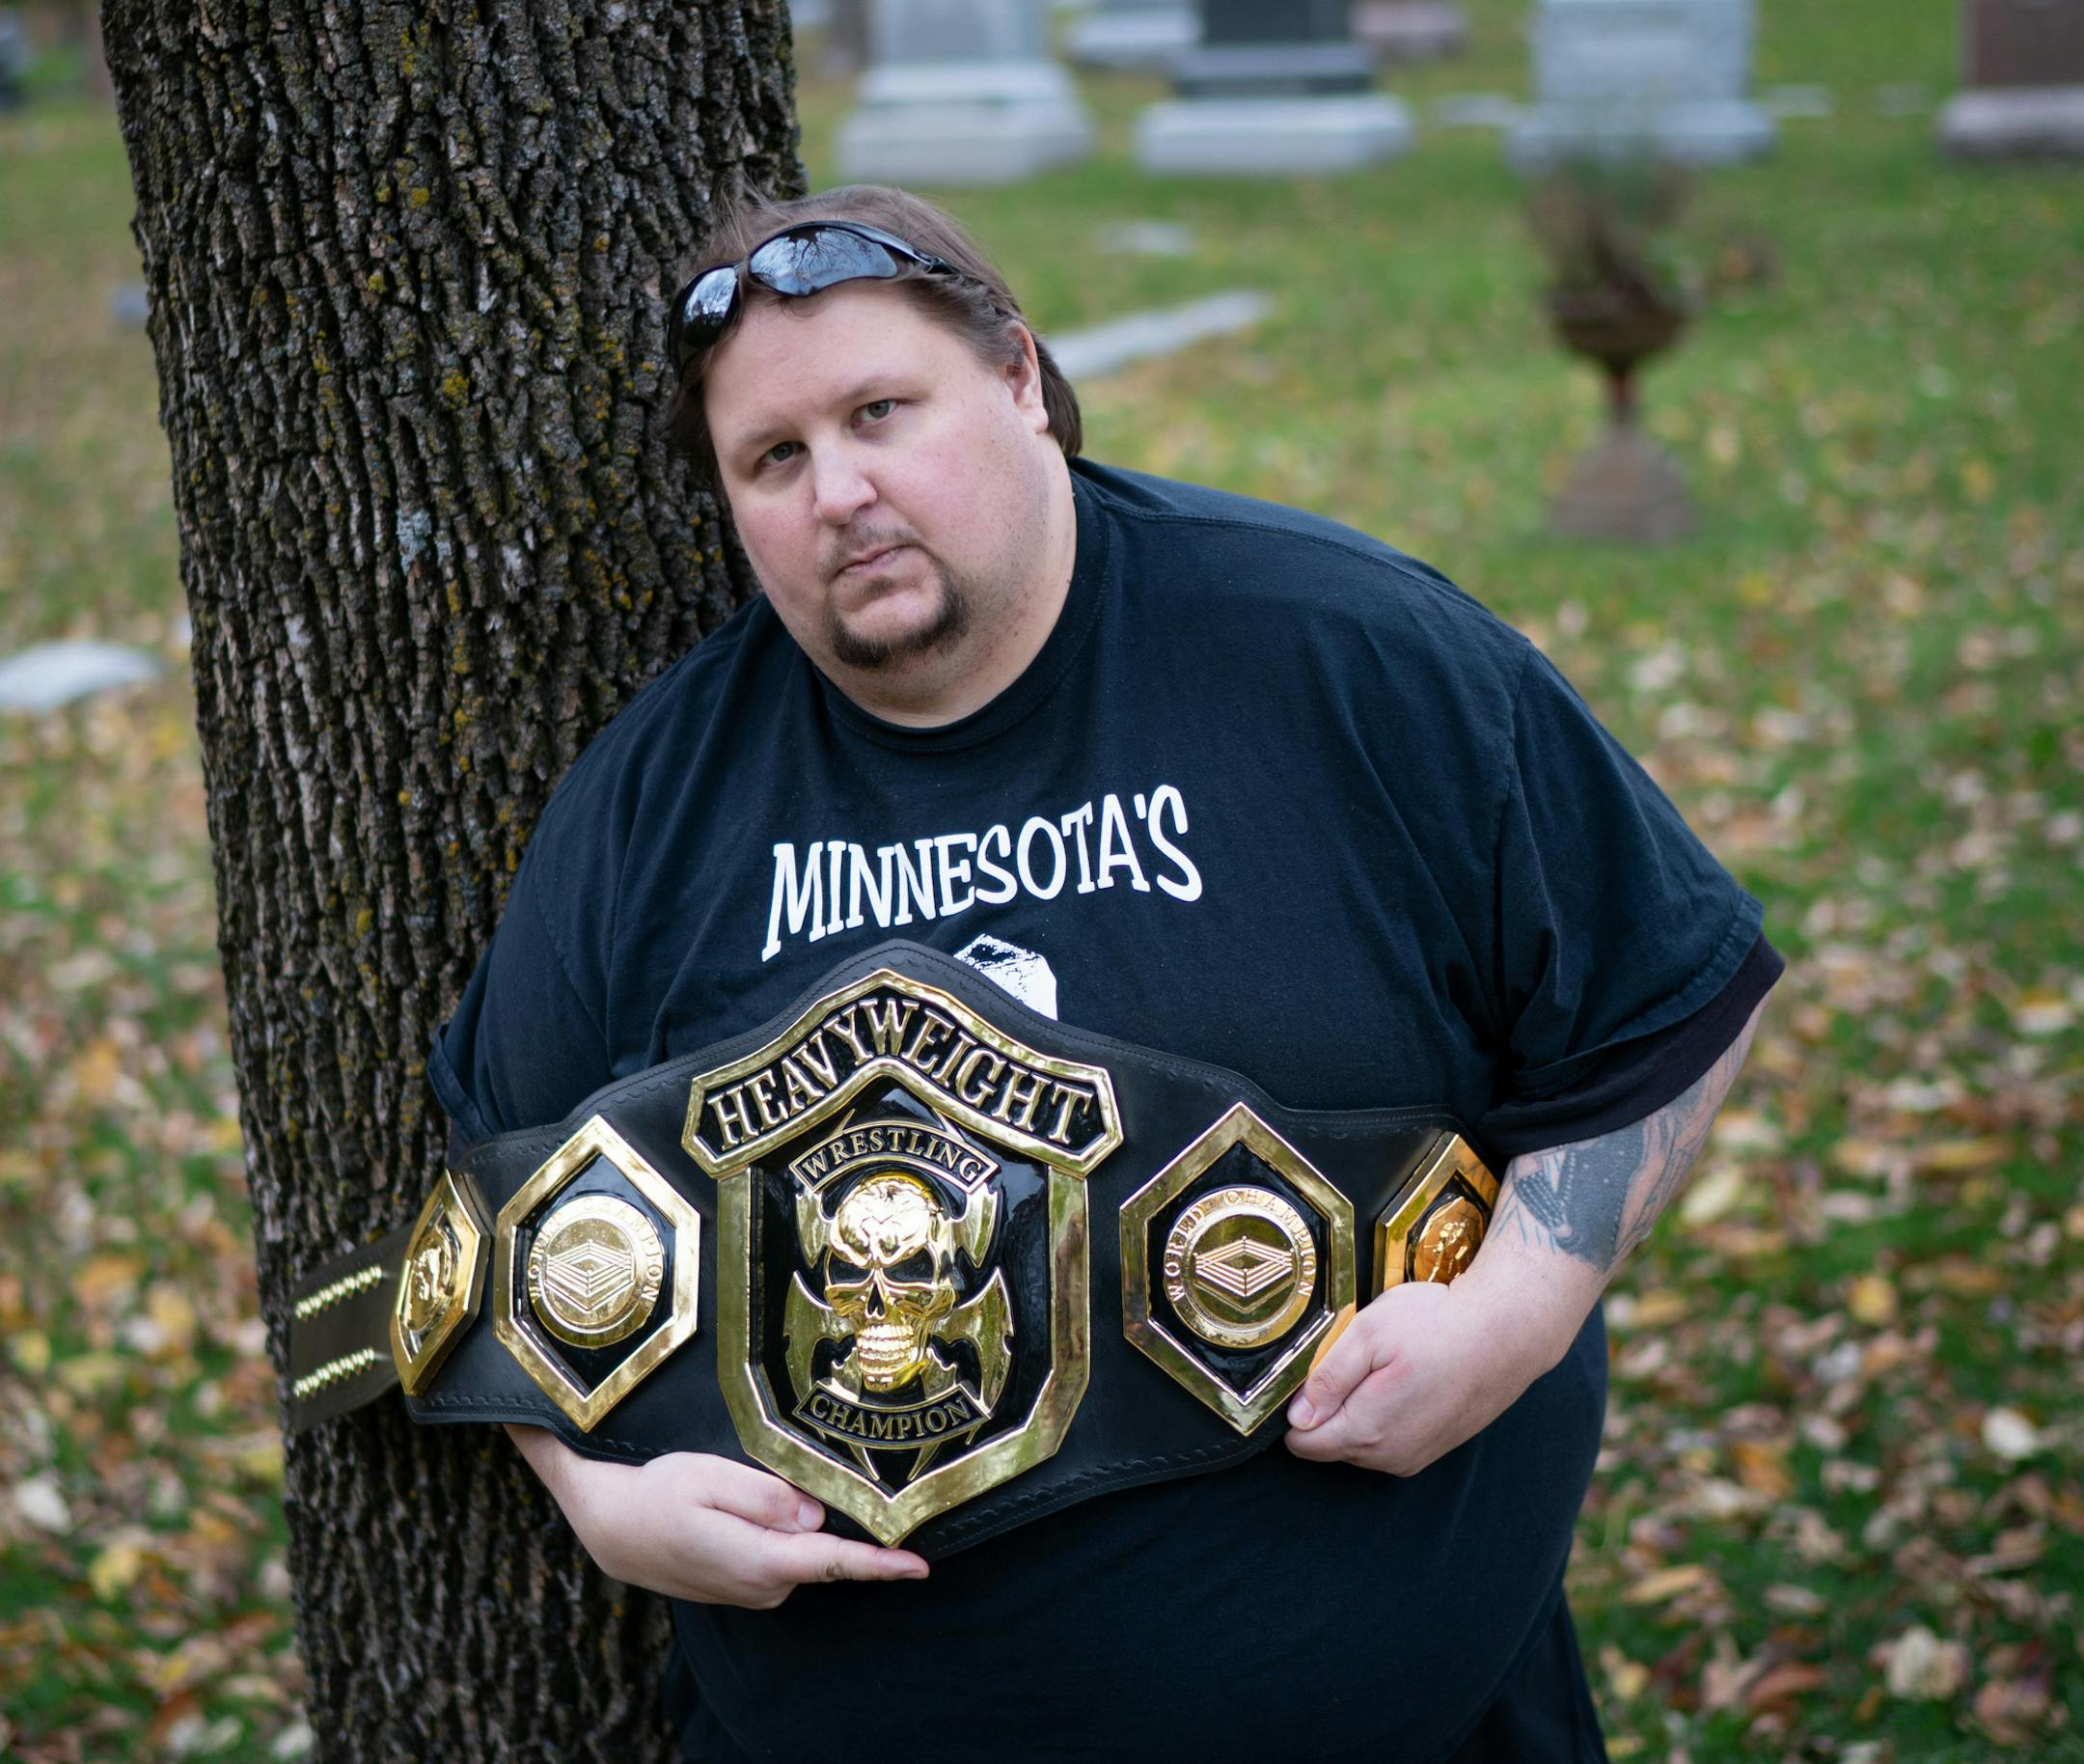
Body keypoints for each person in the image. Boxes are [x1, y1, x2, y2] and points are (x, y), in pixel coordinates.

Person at [428, 183, 1783, 1762]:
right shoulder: (650, 807)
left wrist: (1518, 1317)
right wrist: (605, 1506)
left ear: (1020, 376)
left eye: (882, 411)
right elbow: (488, 1224)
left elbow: (1667, 1005)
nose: (842, 492)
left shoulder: (1347, 658)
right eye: (774, 459)